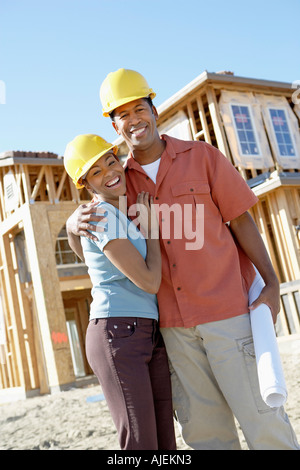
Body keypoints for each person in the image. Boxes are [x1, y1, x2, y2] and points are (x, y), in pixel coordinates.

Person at [66, 69, 299, 450]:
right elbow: (100, 253)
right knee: (206, 437)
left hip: (228, 315)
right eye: (122, 115)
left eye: (139, 108)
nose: (133, 120)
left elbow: (241, 219)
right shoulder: (119, 183)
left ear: (154, 110)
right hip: (173, 331)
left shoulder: (202, 156)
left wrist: (271, 282)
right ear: (114, 125)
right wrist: (73, 226)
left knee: (265, 425)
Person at [63, 133, 176, 451]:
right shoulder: (99, 216)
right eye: (96, 171)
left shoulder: (118, 214)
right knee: (140, 445)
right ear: (85, 183)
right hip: (118, 334)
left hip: (146, 332)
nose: (109, 172)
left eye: (111, 162)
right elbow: (150, 282)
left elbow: (90, 258)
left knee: (165, 443)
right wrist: (151, 229)